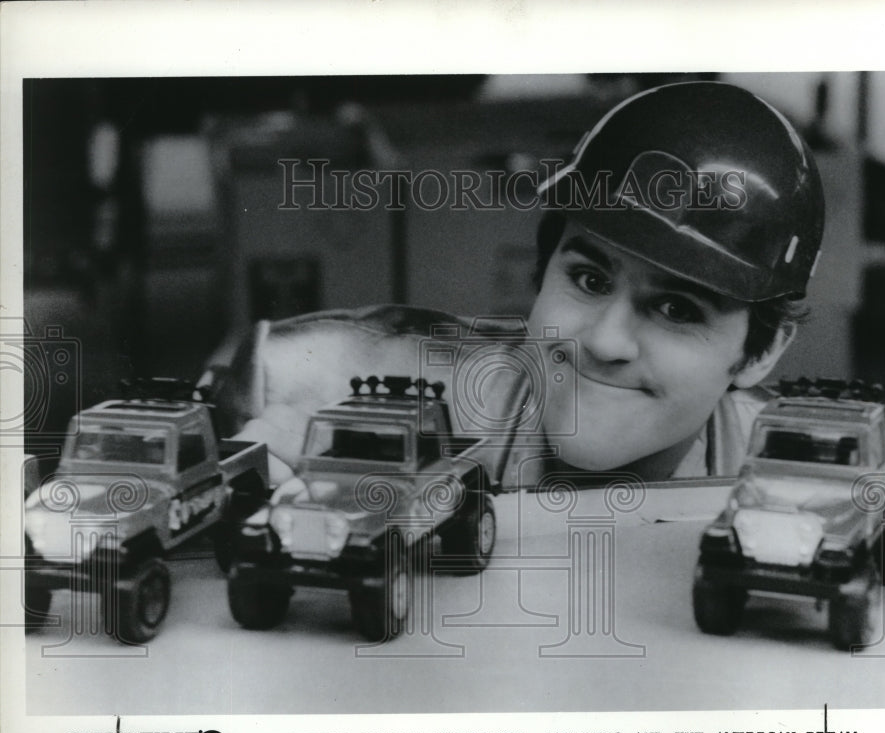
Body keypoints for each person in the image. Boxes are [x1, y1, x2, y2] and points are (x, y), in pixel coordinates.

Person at [205, 81, 825, 488]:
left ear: (763, 351)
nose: (605, 340)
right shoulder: (331, 377)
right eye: (587, 277)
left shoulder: (819, 468)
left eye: (677, 308)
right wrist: (229, 473)